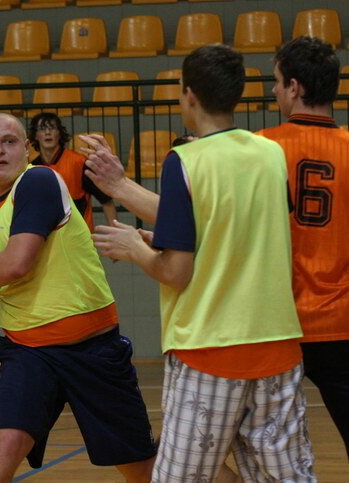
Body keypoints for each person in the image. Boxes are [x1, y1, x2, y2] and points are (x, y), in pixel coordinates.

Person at [82, 45, 316, 481]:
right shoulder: (270, 153)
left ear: (188, 94)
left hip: (210, 348)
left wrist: (137, 249)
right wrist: (125, 189)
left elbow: (176, 272)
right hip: (277, 345)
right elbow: (230, 228)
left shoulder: (184, 161)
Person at [0, 112, 156, 482]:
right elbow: (7, 268)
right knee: (5, 442)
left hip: (89, 349)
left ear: (27, 149)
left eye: (9, 142)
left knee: (139, 467)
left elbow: (18, 262)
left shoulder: (38, 180)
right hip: (27, 351)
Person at [256, 36, 349, 458]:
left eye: (277, 81)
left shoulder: (260, 148)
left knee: (262, 452)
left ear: (294, 87)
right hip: (341, 322)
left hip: (276, 325)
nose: (274, 90)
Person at [28, 112, 117, 231]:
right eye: (42, 129)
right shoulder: (31, 169)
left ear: (60, 133)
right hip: (46, 237)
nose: (48, 132)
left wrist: (116, 233)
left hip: (79, 237)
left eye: (52, 128)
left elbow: (106, 200)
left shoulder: (80, 163)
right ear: (35, 136)